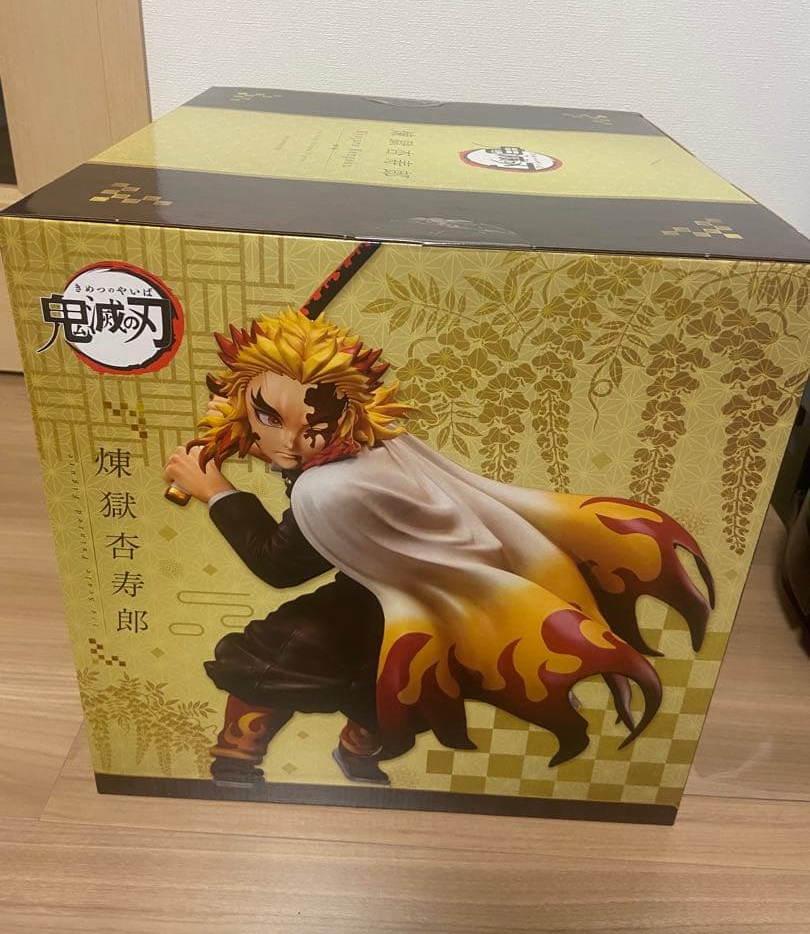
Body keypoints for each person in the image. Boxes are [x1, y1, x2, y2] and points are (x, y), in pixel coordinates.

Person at [163, 307, 714, 788]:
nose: (288, 440)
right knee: (374, 685)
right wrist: (244, 421)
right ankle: (307, 756)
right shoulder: (380, 443)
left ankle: (263, 757)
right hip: (408, 592)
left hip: (414, 602)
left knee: (288, 657)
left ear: (344, 413)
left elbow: (281, 563)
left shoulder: (334, 486)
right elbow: (297, 454)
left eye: (312, 426)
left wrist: (218, 491)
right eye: (269, 417)